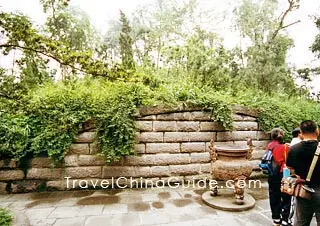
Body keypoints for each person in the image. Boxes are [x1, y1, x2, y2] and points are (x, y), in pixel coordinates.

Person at [286, 120, 320, 226]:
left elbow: (291, 169)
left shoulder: (293, 149)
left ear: (301, 132)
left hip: (303, 190)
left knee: (301, 221)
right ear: (317, 131)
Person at [268, 128, 292, 226]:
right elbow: (288, 161)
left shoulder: (269, 145)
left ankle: (276, 217)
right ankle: (285, 218)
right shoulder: (285, 147)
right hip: (283, 174)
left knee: (274, 195)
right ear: (281, 135)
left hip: (272, 173)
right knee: (286, 196)